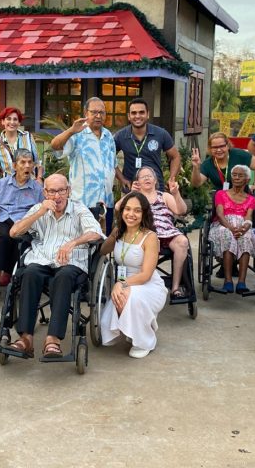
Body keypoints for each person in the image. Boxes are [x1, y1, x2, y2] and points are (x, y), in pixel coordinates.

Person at [6, 174, 103, 358]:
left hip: (70, 262)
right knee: (30, 273)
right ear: (45, 193)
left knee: (63, 276)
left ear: (68, 191)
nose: (57, 196)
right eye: (52, 191)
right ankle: (25, 339)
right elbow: (14, 232)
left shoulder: (79, 209)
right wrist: (41, 212)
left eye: (61, 190)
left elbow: (96, 233)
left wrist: (73, 243)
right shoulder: (38, 209)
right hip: (42, 259)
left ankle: (53, 340)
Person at [99, 191, 167, 358]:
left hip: (147, 284)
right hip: (124, 281)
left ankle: (145, 339)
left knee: (125, 294)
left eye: (137, 210)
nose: (131, 214)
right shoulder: (119, 231)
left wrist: (121, 284)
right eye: (127, 209)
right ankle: (136, 327)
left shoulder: (150, 237)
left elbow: (146, 275)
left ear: (144, 213)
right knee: (122, 296)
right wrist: (108, 229)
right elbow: (103, 250)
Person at [0, 148, 43, 292]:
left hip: (24, 223)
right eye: (23, 162)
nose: (27, 166)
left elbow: (44, 209)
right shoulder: (2, 183)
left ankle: (13, 275)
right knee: (4, 236)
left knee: (19, 239)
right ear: (15, 165)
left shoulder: (37, 189)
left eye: (29, 162)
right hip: (3, 220)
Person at [50, 97, 116, 228]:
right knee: (83, 244)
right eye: (94, 112)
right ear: (86, 113)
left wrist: (123, 179)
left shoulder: (108, 136)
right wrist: (70, 131)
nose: (98, 116)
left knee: (103, 244)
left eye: (102, 112)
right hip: (83, 204)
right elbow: (55, 146)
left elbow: (112, 165)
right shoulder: (77, 134)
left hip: (106, 202)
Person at [127, 166, 189, 299]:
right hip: (145, 234)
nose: (147, 178)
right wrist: (131, 193)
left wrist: (176, 193)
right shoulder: (135, 198)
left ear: (155, 180)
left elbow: (181, 210)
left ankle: (175, 287)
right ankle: (145, 283)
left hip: (167, 232)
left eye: (150, 175)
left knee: (183, 242)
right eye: (143, 177)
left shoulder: (164, 196)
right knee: (149, 241)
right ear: (138, 182)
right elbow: (118, 208)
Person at [208, 165, 255, 294]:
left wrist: (244, 229)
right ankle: (228, 281)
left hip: (242, 226)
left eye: (240, 175)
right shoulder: (221, 194)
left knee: (246, 237)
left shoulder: (251, 199)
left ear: (247, 180)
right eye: (234, 175)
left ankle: (241, 282)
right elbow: (219, 214)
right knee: (227, 235)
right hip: (223, 225)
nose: (236, 178)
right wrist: (231, 228)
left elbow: (248, 218)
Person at [113, 98, 180, 192]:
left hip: (156, 190)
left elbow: (175, 157)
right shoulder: (120, 136)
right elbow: (109, 159)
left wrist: (172, 179)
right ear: (128, 116)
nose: (137, 116)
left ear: (148, 114)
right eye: (134, 113)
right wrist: (122, 179)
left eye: (141, 112)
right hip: (131, 190)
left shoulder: (161, 134)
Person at [0, 106, 42, 181]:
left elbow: (37, 162)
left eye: (15, 119)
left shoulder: (28, 137)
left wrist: (39, 178)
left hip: (29, 186)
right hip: (9, 188)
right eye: (8, 119)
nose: (12, 122)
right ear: (3, 121)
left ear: (19, 122)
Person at [191, 131, 255, 194]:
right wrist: (196, 167)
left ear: (228, 145)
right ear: (210, 149)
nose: (219, 150)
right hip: (221, 201)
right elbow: (196, 183)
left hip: (242, 199)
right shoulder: (208, 163)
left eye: (222, 146)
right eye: (215, 147)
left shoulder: (239, 155)